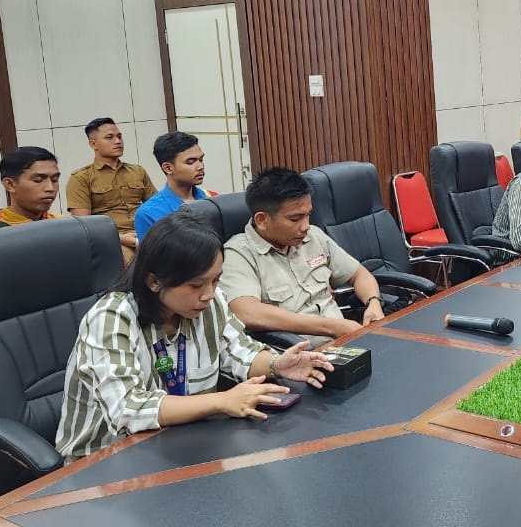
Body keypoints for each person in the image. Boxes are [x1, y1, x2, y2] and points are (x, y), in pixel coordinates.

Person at [56, 211, 333, 461]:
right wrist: (222, 401)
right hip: (104, 464)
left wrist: (276, 364)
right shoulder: (112, 317)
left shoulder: (210, 303)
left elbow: (240, 351)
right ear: (154, 281)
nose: (209, 294)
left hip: (181, 445)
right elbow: (127, 408)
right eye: (196, 284)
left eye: (215, 280)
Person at [219, 168, 385, 343]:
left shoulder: (313, 236)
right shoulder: (238, 254)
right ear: (262, 220)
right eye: (295, 219)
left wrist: (373, 302)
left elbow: (359, 274)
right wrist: (332, 327)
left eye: (308, 215)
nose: (306, 226)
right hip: (299, 357)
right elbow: (247, 312)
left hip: (346, 341)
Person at [66, 118, 156, 262]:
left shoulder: (137, 171)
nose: (118, 141)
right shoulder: (81, 178)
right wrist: (121, 238)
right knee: (131, 264)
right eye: (110, 137)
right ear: (93, 144)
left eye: (119, 136)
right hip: (114, 240)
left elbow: (155, 207)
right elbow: (83, 226)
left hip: (146, 233)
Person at [134, 132, 218, 239]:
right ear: (168, 168)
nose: (200, 166)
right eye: (191, 162)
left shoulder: (213, 198)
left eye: (201, 160)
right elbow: (152, 254)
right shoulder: (148, 213)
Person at [0, 146, 63, 228]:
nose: (50, 188)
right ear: (9, 184)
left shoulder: (66, 225)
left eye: (55, 180)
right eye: (38, 180)